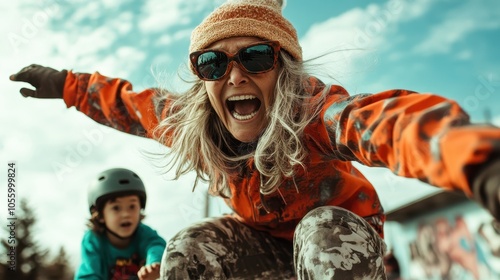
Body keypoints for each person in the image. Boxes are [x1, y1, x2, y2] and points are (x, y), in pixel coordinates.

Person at [9, 0, 500, 278]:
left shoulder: (314, 113)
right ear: (202, 80)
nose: (236, 75)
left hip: (337, 246)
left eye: (257, 57)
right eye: (214, 64)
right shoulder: (191, 122)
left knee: (322, 232)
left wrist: (479, 163)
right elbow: (126, 103)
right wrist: (63, 84)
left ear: (282, 69)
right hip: (263, 247)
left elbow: (387, 123)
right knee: (187, 248)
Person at [75, 167, 166, 279]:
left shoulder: (144, 233)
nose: (125, 214)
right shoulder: (93, 240)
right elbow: (89, 275)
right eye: (116, 208)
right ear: (100, 215)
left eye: (132, 206)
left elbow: (155, 246)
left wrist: (154, 264)